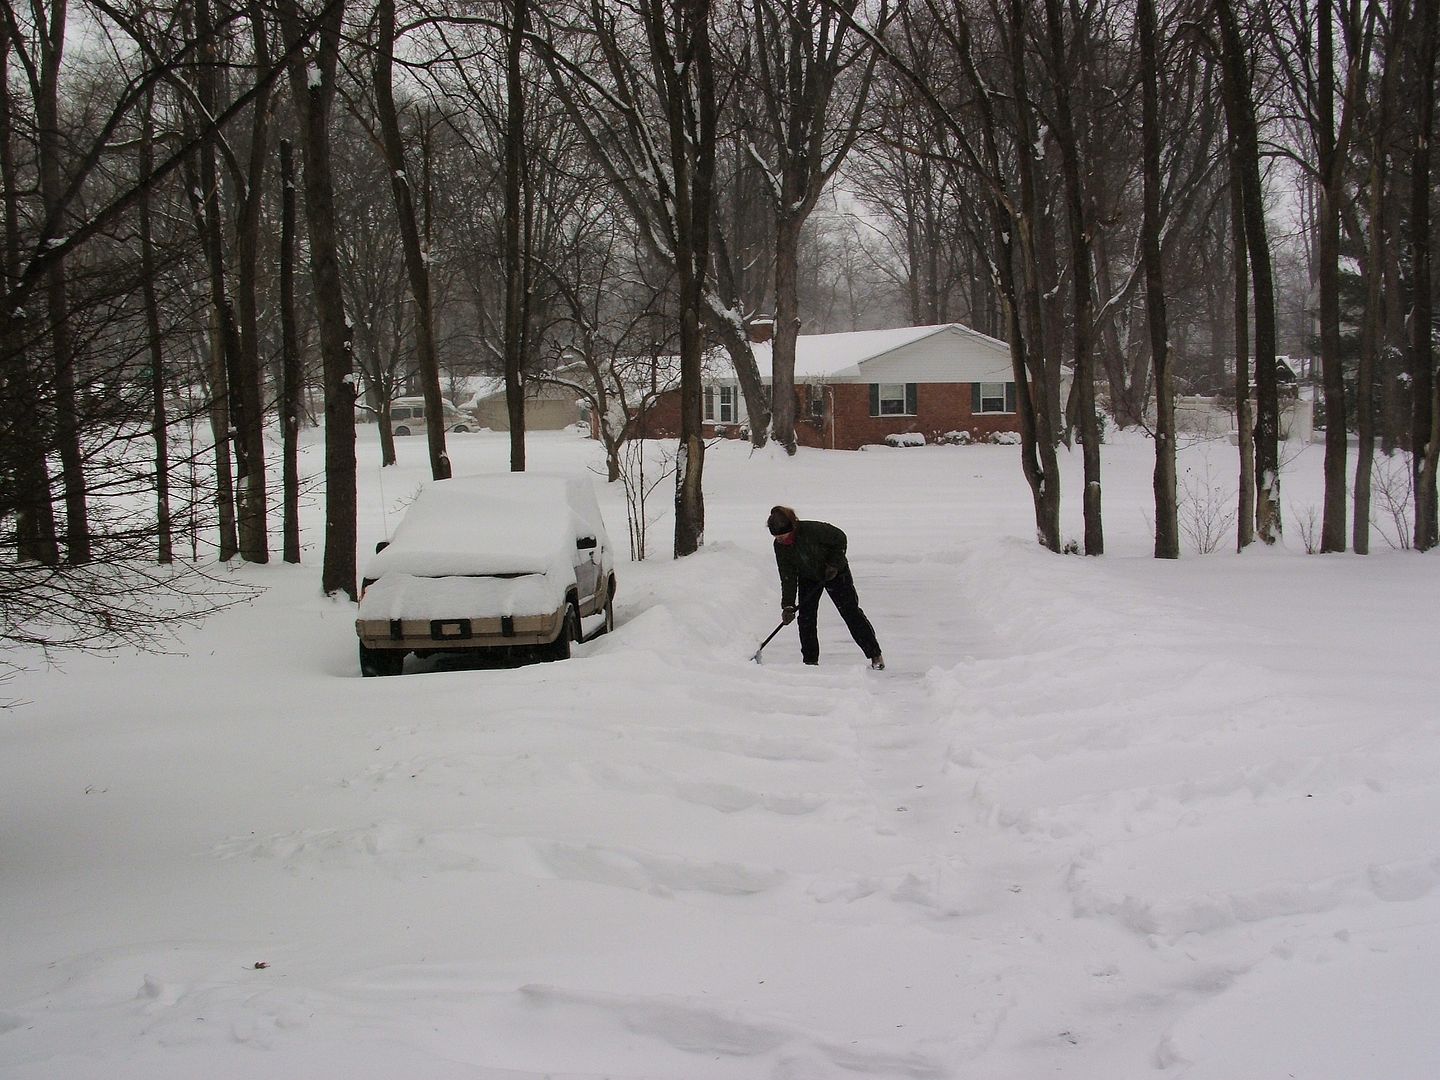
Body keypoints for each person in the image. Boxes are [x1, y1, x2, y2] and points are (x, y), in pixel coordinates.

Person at [767, 505, 884, 670]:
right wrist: (788, 605)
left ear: (791, 528)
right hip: (809, 577)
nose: (780, 540)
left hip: (835, 573)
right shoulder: (780, 546)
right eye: (776, 537)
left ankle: (874, 654)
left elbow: (840, 538)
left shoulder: (813, 530)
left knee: (850, 612)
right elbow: (787, 576)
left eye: (782, 536)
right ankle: (810, 661)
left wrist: (834, 564)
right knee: (806, 618)